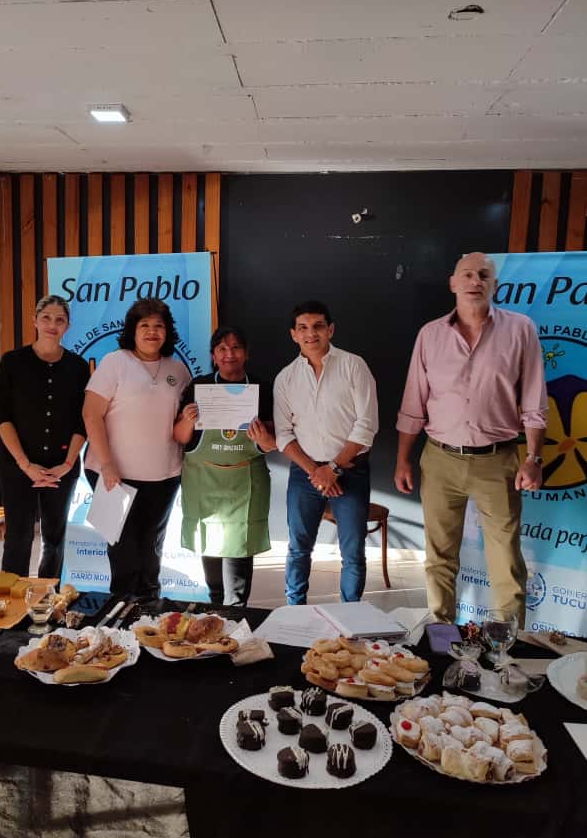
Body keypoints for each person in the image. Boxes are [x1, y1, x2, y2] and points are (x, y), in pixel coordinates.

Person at [394, 251, 547, 626]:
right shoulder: (430, 334)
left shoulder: (521, 329)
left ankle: (507, 642)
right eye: (467, 274)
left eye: (483, 275)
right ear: (453, 283)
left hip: (499, 461)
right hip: (440, 460)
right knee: (439, 556)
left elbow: (534, 401)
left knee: (506, 558)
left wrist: (534, 458)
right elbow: (413, 403)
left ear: (495, 284)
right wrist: (402, 460)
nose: (475, 281)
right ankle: (440, 634)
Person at [83, 297, 190, 599]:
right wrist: (107, 464)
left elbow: (183, 424)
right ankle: (122, 613)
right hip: (114, 475)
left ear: (167, 331)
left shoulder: (178, 370)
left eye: (159, 325)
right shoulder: (115, 362)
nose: (152, 332)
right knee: (124, 552)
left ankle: (150, 612)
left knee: (151, 549)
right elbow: (91, 415)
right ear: (133, 330)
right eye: (144, 325)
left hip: (164, 476)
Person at [274, 300, 378, 605]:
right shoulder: (286, 378)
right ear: (293, 334)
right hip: (305, 474)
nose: (311, 333)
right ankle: (295, 611)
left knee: (353, 552)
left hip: (350, 471)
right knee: (298, 548)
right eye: (303, 328)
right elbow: (283, 435)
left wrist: (332, 468)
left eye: (318, 326)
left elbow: (367, 425)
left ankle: (351, 614)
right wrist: (317, 472)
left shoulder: (354, 366)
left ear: (330, 329)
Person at [174, 326, 277, 606]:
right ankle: (215, 609)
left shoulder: (262, 389)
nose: (229, 354)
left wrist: (265, 438)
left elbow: (273, 443)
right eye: (222, 348)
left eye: (235, 348)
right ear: (213, 355)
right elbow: (180, 437)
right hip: (204, 482)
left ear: (246, 353)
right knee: (209, 546)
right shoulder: (199, 388)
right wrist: (187, 420)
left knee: (238, 553)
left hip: (244, 484)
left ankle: (236, 613)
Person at [0, 295, 89, 578]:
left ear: (67, 326)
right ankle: (12, 599)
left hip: (62, 466)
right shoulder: (12, 362)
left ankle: (50, 598)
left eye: (60, 320)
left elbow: (82, 421)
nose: (52, 324)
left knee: (54, 539)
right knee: (18, 538)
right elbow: (2, 418)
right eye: (46, 317)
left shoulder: (78, 366)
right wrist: (25, 464)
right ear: (35, 321)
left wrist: (67, 464)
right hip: (17, 466)